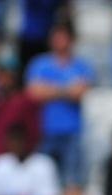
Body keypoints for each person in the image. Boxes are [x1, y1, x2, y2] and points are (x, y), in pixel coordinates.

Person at [25, 21, 95, 186]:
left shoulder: (81, 65)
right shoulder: (39, 64)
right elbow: (34, 93)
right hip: (45, 130)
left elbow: (80, 93)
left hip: (73, 132)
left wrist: (50, 89)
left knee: (71, 181)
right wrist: (66, 90)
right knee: (45, 182)